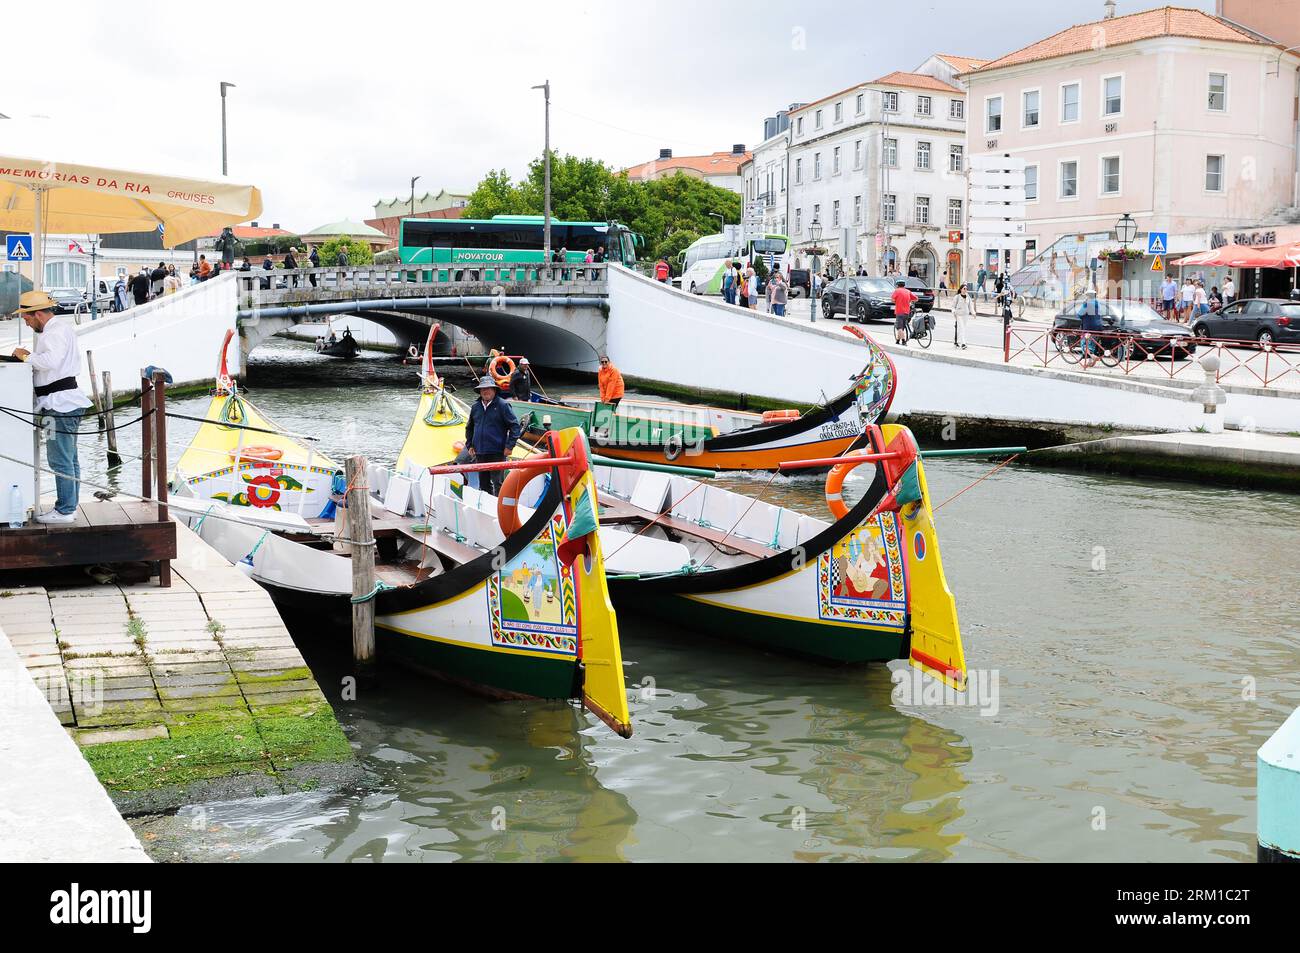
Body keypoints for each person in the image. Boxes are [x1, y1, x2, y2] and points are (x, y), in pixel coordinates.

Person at [9, 291, 94, 523]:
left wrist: (26, 357)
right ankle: (69, 507)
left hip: (59, 405)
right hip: (68, 403)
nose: (26, 323)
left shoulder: (51, 334)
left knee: (59, 459)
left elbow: (51, 362)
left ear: (37, 314)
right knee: (70, 458)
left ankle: (65, 510)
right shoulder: (61, 329)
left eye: (27, 318)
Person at [463, 376, 521, 497]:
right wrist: (470, 445)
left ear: (494, 390)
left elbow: (515, 427)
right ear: (480, 391)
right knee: (483, 483)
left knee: (498, 482)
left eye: (489, 388)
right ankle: (486, 505)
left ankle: (499, 508)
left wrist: (510, 446)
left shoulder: (503, 405)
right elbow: (470, 427)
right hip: (480, 451)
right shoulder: (475, 407)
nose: (486, 391)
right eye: (483, 389)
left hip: (497, 451)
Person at [1077, 289, 1104, 368]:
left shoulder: (1087, 303)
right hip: (1098, 326)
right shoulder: (1098, 303)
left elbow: (1080, 314)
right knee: (1091, 345)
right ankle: (1090, 362)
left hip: (1088, 327)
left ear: (1088, 296)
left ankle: (1092, 356)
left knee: (1084, 344)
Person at [892, 279, 918, 346]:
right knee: (902, 327)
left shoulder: (897, 291)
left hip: (899, 311)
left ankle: (903, 341)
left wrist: (897, 302)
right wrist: (909, 301)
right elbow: (916, 298)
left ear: (897, 285)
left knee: (899, 328)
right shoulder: (908, 291)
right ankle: (897, 340)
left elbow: (892, 300)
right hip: (907, 312)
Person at [952, 282, 972, 349]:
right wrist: (954, 312)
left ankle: (956, 341)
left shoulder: (968, 296)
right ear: (961, 289)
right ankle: (963, 343)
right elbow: (953, 307)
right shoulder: (957, 297)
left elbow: (970, 305)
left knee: (961, 329)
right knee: (962, 328)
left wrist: (973, 312)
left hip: (966, 315)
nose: (965, 290)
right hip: (959, 315)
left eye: (966, 289)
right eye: (964, 288)